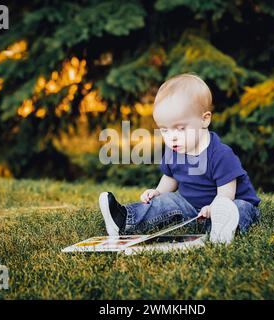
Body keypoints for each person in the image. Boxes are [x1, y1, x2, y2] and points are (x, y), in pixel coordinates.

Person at [99, 73, 261, 244]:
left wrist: (214, 208)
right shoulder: (174, 150)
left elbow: (226, 193)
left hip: (228, 203)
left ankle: (223, 229)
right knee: (167, 201)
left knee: (240, 208)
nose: (172, 137)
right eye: (165, 130)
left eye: (180, 128)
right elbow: (170, 178)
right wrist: (158, 192)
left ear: (204, 120)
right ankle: (125, 219)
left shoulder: (220, 154)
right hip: (191, 208)